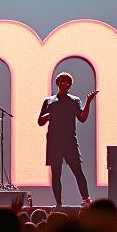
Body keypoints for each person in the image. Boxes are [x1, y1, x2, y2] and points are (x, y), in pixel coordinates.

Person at [38, 72, 96, 208]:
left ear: (70, 85)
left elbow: (82, 118)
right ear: (58, 83)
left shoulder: (74, 100)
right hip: (54, 142)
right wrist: (50, 114)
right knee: (56, 174)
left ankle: (86, 199)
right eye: (63, 81)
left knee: (78, 171)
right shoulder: (49, 101)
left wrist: (88, 101)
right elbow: (40, 122)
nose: (65, 84)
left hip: (70, 141)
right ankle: (58, 203)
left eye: (68, 82)